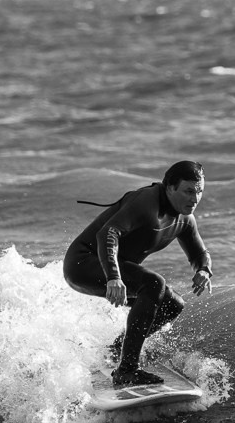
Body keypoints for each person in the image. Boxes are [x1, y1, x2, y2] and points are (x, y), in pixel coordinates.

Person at [64, 161, 213, 386]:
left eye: (199, 191)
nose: (195, 198)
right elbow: (107, 233)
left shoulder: (184, 219)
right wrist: (114, 277)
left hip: (115, 265)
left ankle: (118, 351)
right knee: (154, 283)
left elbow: (199, 253)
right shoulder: (146, 202)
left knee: (173, 304)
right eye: (189, 191)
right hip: (83, 263)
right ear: (170, 187)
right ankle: (127, 369)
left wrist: (203, 270)